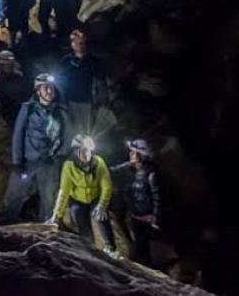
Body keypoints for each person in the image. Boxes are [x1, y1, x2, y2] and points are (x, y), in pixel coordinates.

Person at [4, 73, 69, 222]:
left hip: (48, 162)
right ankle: (7, 223)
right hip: (28, 160)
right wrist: (17, 162)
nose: (49, 91)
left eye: (51, 88)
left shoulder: (59, 112)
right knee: (15, 195)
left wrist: (59, 157)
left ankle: (45, 229)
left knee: (48, 200)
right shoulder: (28, 109)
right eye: (45, 88)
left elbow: (64, 136)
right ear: (38, 91)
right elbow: (18, 135)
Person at [49, 134, 117, 256]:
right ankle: (89, 249)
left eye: (88, 150)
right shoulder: (69, 166)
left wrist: (102, 205)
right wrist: (57, 214)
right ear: (76, 152)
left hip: (95, 197)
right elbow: (64, 191)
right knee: (80, 220)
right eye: (83, 151)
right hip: (77, 199)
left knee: (101, 217)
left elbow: (107, 186)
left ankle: (111, 248)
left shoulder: (99, 163)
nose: (87, 154)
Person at [111, 138, 161, 266]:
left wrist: (156, 218)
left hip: (147, 219)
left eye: (134, 152)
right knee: (140, 245)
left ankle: (148, 269)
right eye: (131, 152)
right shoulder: (130, 168)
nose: (131, 154)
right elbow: (112, 171)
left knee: (144, 248)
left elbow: (157, 197)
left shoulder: (151, 173)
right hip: (135, 215)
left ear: (141, 155)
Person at [59, 27, 102, 134]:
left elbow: (99, 81)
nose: (81, 45)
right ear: (72, 44)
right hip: (69, 100)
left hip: (87, 101)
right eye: (77, 42)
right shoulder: (66, 61)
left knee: (86, 130)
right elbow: (60, 80)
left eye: (82, 42)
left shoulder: (93, 61)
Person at [0, 50, 26, 125]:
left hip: (21, 109)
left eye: (9, 64)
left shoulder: (19, 75)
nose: (8, 67)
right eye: (5, 64)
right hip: (7, 113)